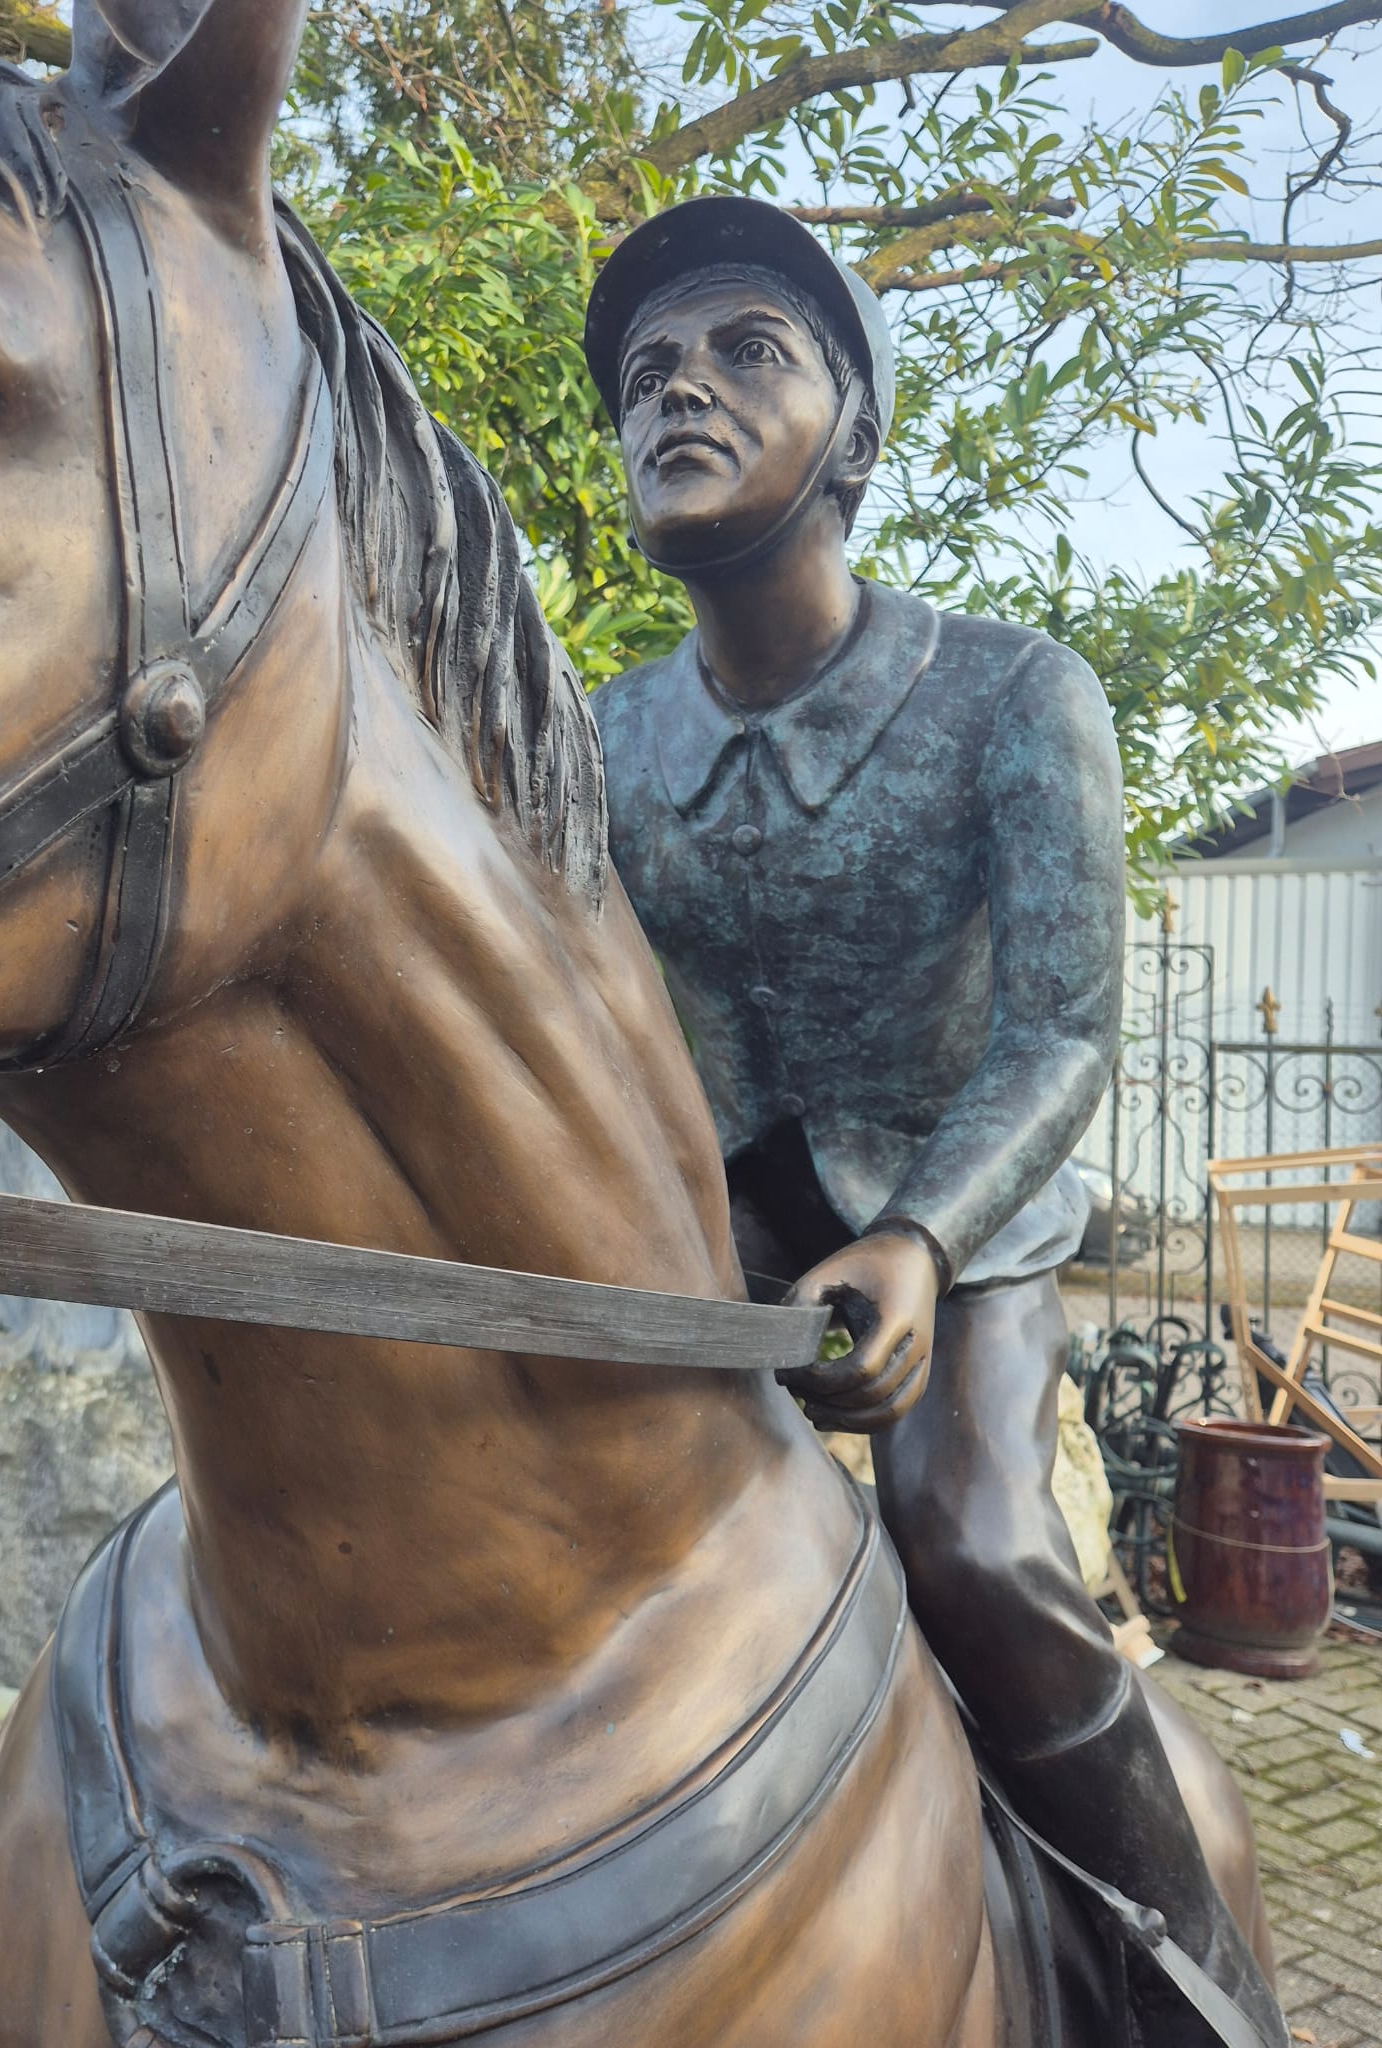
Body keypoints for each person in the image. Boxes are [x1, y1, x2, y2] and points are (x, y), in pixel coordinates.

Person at [586, 194, 1283, 2048]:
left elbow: (1063, 1029)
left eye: (748, 351)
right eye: (648, 373)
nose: (682, 391)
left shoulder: (1011, 697)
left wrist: (925, 1236)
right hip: (704, 1236)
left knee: (972, 1546)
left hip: (951, 1226)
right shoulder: (601, 741)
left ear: (859, 438)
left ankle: (1190, 1978)